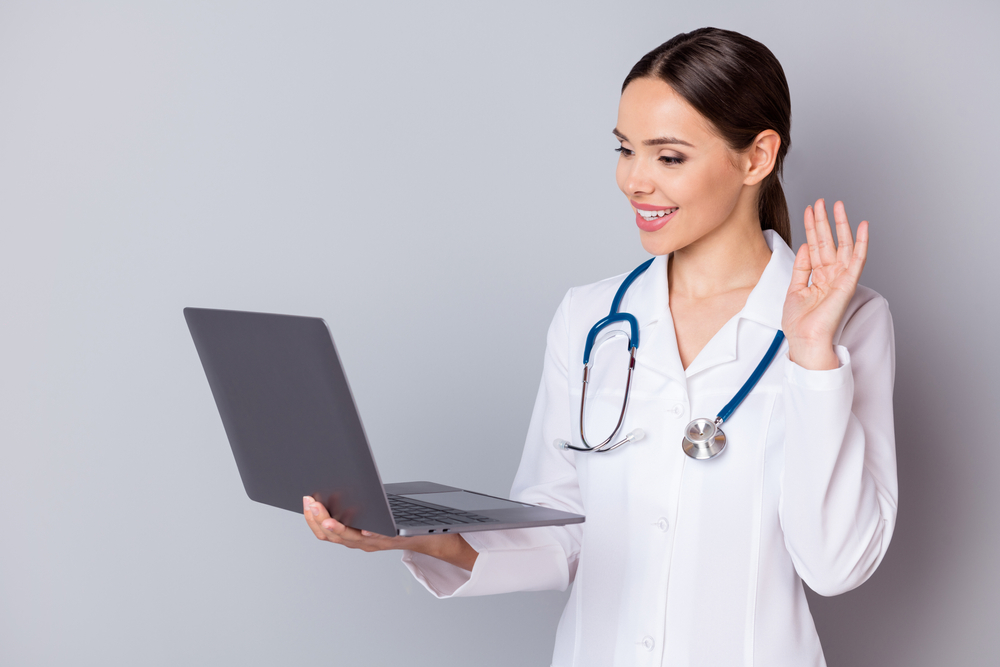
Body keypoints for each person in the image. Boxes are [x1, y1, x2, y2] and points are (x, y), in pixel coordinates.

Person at [302, 27, 896, 666]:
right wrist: (423, 541)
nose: (634, 181)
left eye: (668, 157)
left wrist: (811, 352)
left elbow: (836, 564)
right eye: (625, 150)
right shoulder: (589, 318)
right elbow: (562, 530)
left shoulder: (850, 323)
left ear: (756, 158)